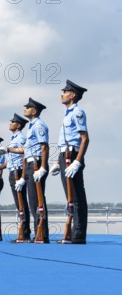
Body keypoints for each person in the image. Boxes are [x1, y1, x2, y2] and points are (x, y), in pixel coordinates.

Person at [50, 80, 89, 244]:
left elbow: (85, 138)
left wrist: (77, 161)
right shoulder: (67, 113)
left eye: (65, 91)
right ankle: (72, 231)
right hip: (64, 154)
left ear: (72, 95)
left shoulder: (77, 112)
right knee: (70, 196)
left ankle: (78, 234)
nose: (62, 94)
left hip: (72, 155)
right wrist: (58, 161)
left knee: (77, 195)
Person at [16, 97, 50, 243]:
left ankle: (42, 234)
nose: (25, 109)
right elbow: (25, 149)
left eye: (28, 107)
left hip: (37, 164)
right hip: (30, 164)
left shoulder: (39, 125)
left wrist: (43, 167)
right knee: (32, 201)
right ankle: (38, 233)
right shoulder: (31, 126)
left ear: (34, 111)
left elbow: (44, 147)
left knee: (38, 201)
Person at [0, 114, 31, 242]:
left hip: (18, 171)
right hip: (12, 171)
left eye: (13, 121)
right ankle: (24, 231)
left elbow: (23, 155)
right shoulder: (13, 138)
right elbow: (11, 159)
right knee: (18, 203)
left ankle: (25, 233)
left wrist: (22, 177)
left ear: (19, 125)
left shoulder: (20, 138)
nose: (10, 123)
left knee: (22, 202)